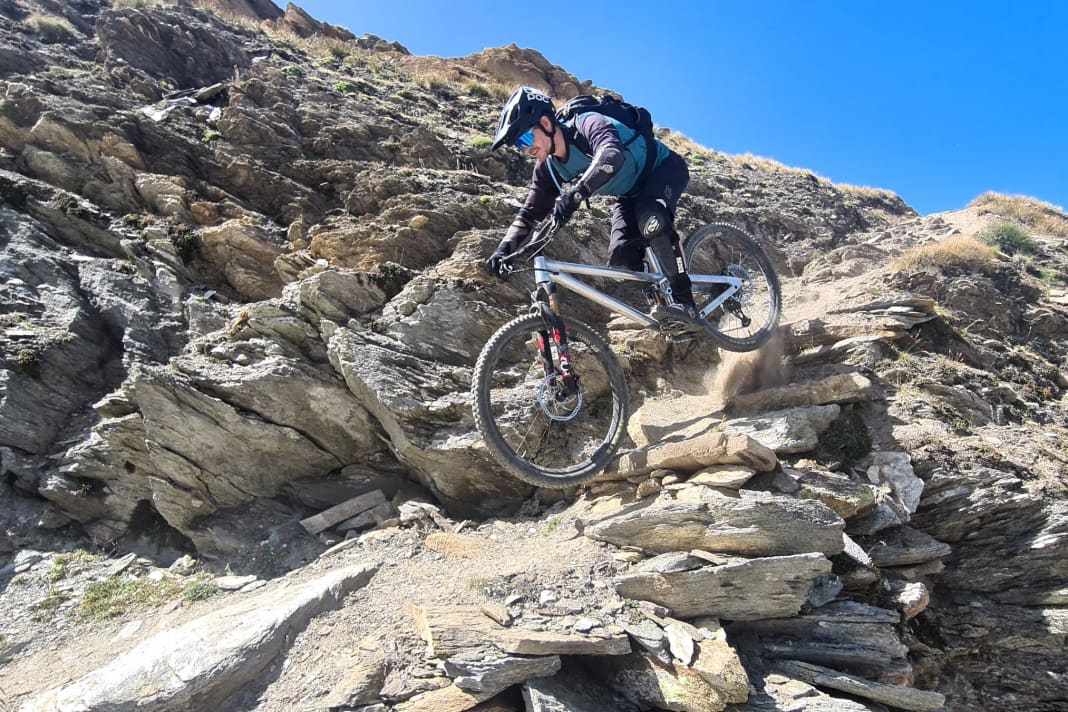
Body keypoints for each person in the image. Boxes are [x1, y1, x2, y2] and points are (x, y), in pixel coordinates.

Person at [485, 85, 699, 329]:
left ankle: (686, 302)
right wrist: (503, 250)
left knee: (651, 220)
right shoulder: (547, 169)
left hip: (663, 169)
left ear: (545, 123)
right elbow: (529, 214)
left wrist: (578, 193)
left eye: (524, 138)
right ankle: (664, 294)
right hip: (628, 194)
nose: (524, 150)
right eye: (517, 146)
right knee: (622, 265)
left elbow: (611, 155)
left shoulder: (586, 123)